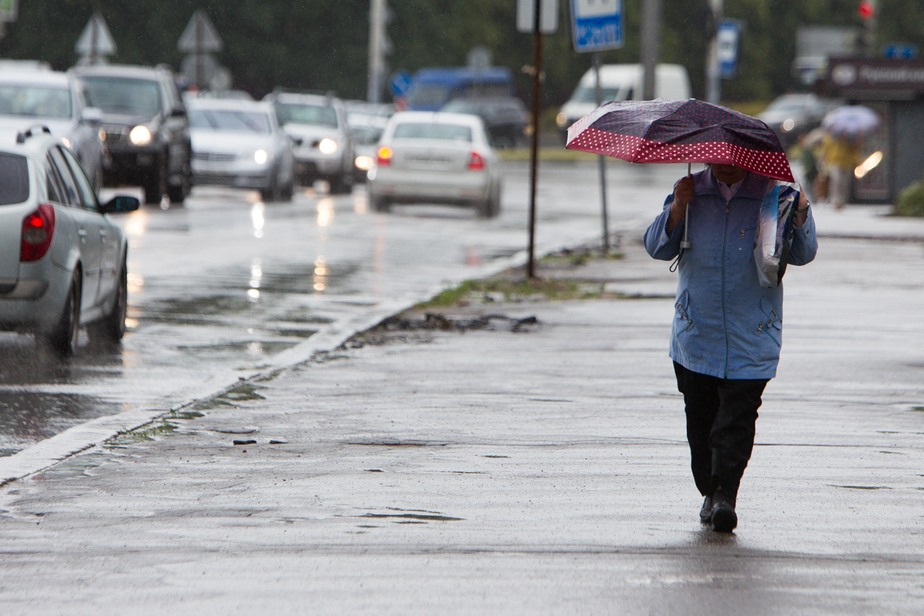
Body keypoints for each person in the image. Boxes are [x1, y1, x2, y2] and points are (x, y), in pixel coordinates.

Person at [643, 164, 817, 532]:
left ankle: (725, 495)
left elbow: (802, 253)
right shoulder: (690, 190)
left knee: (737, 421)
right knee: (701, 423)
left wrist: (800, 213)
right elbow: (657, 247)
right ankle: (710, 487)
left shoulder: (774, 194)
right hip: (697, 332)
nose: (723, 162)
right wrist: (676, 209)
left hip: (751, 331)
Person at [819, 132, 861, 210]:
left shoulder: (849, 137)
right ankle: (835, 200)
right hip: (835, 161)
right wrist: (823, 160)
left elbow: (855, 148)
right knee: (836, 181)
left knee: (845, 183)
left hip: (847, 162)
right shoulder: (830, 138)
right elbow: (825, 149)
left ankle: (843, 200)